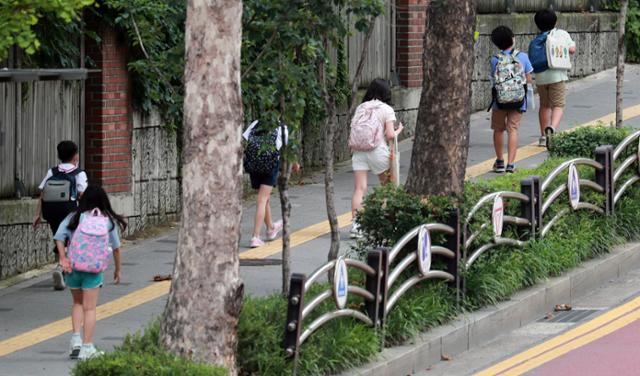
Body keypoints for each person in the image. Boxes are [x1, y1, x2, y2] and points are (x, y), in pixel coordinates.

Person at [54, 185, 125, 360]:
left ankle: (76, 340)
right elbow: (116, 248)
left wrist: (63, 257)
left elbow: (58, 237)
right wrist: (117, 269)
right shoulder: (107, 221)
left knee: (78, 304)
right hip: (93, 270)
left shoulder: (74, 217)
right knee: (90, 308)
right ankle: (87, 347)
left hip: (73, 267)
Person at [349, 79, 403, 237]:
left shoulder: (361, 107)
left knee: (359, 188)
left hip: (359, 151)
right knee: (388, 188)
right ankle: (387, 222)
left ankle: (356, 226)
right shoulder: (386, 109)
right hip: (378, 151)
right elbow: (390, 135)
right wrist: (399, 130)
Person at [33, 140, 88, 290]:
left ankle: (62, 272)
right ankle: (60, 268)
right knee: (72, 240)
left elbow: (42, 192)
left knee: (59, 238)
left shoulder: (52, 172)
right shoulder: (79, 174)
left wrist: (37, 214)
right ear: (75, 156)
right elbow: (83, 194)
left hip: (51, 211)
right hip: (69, 211)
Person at [243, 120, 300, 248]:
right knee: (262, 199)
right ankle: (255, 237)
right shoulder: (281, 128)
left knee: (264, 198)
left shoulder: (256, 123)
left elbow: (246, 140)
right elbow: (289, 149)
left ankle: (271, 228)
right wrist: (295, 163)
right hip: (270, 166)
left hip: (254, 166)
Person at [489, 26, 533, 173]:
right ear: (512, 39)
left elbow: (493, 81)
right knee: (512, 129)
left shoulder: (495, 60)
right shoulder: (523, 57)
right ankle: (511, 164)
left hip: (499, 101)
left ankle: (500, 162)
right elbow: (528, 79)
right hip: (518, 100)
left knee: (498, 130)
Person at [529, 9, 576, 147]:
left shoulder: (537, 40)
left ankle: (543, 137)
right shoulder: (561, 34)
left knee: (544, 105)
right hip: (557, 75)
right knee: (558, 105)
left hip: (541, 78)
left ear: (537, 24)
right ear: (555, 22)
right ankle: (552, 129)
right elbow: (572, 50)